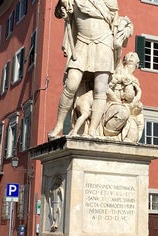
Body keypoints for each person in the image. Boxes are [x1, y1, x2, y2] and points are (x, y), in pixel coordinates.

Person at [48, 0, 121, 139]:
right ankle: (59, 125)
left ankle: (93, 129)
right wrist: (62, 7)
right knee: (71, 84)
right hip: (82, 41)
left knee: (101, 88)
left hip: (104, 42)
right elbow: (58, 12)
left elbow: (115, 19)